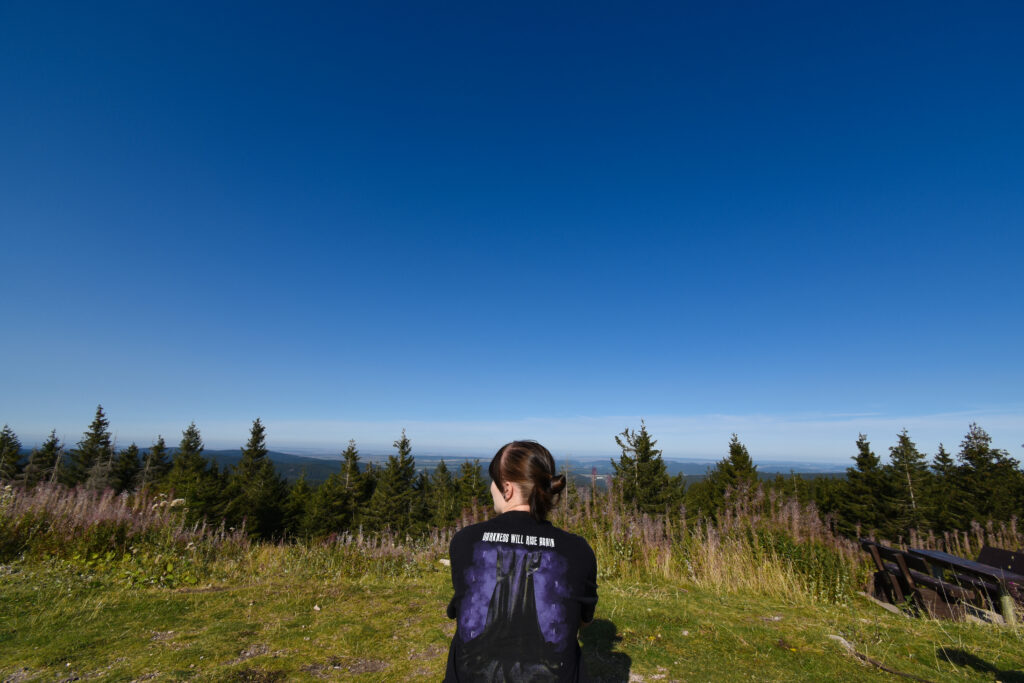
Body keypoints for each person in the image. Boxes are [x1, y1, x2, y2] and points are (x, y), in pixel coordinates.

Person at [444, 440, 598, 682]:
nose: (491, 489)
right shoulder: (578, 550)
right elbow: (583, 622)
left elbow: (459, 610)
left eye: (493, 482)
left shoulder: (465, 541)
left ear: (507, 488)